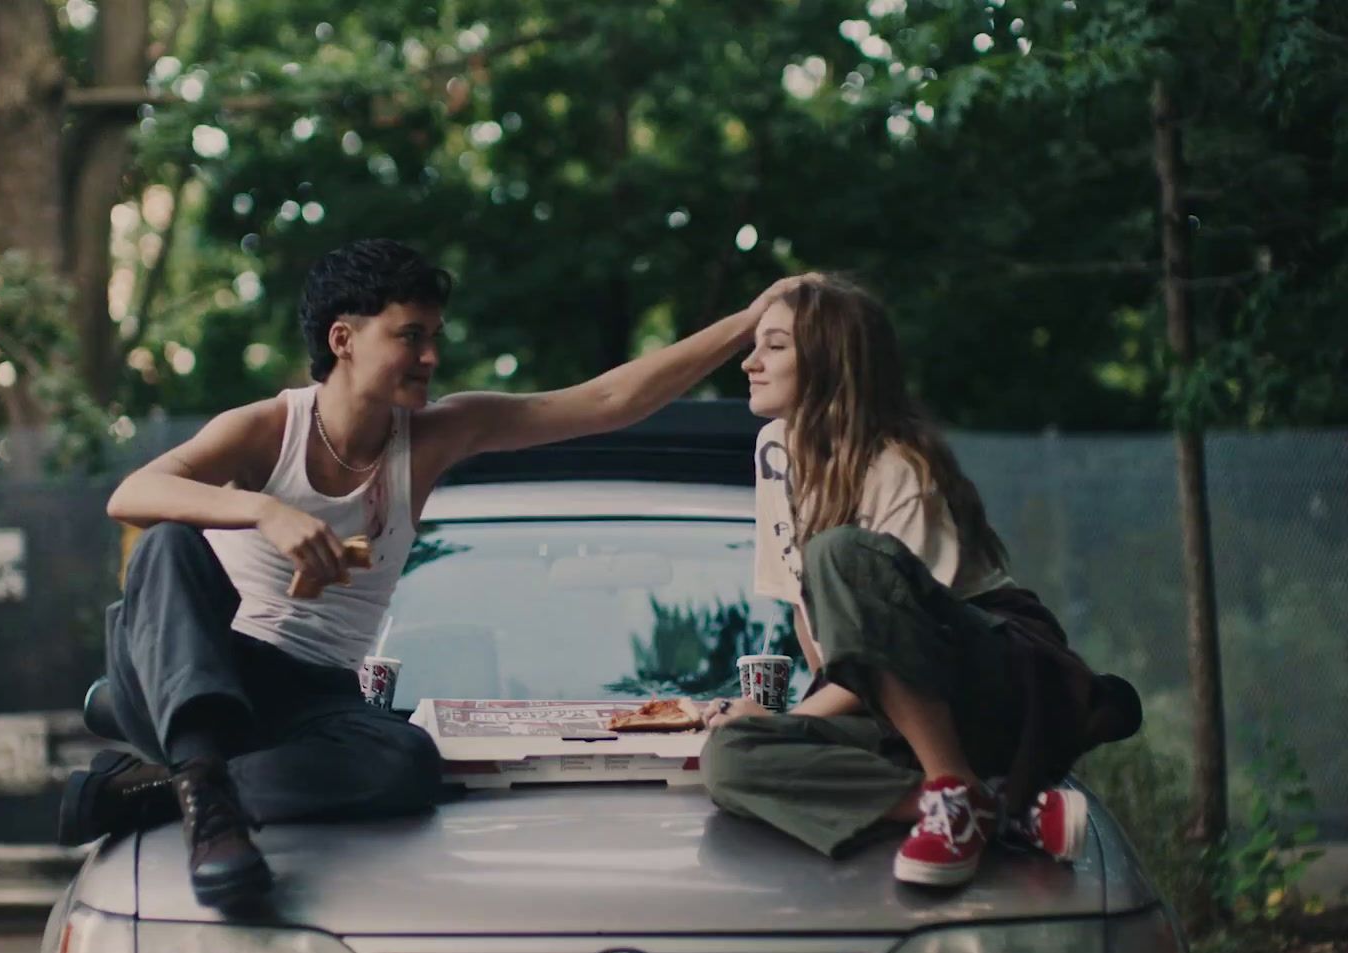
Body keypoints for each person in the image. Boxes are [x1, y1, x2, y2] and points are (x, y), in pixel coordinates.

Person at [55, 236, 807, 910]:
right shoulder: (266, 429)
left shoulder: (439, 435)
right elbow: (133, 494)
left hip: (310, 698)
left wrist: (752, 318)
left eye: (433, 337)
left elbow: (609, 401)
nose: (430, 357)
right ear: (342, 339)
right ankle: (210, 811)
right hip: (210, 665)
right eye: (410, 336)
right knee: (169, 545)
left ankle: (170, 787)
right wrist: (263, 512)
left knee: (405, 764)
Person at [699, 275, 1141, 888]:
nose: (750, 361)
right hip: (891, 706)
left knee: (841, 554)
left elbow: (890, 642)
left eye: (774, 345)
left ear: (831, 358)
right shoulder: (774, 447)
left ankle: (952, 787)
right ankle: (999, 813)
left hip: (987, 672)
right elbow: (812, 617)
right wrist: (781, 728)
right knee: (728, 760)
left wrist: (797, 720)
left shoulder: (899, 467)